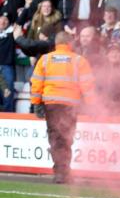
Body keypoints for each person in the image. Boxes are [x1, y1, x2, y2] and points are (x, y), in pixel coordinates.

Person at [29, 30, 96, 183]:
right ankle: (63, 171)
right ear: (70, 44)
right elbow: (88, 85)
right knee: (66, 138)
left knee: (55, 138)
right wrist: (91, 104)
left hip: (51, 104)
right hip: (70, 105)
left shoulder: (45, 59)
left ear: (56, 44)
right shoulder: (79, 60)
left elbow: (36, 83)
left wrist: (36, 103)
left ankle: (61, 172)